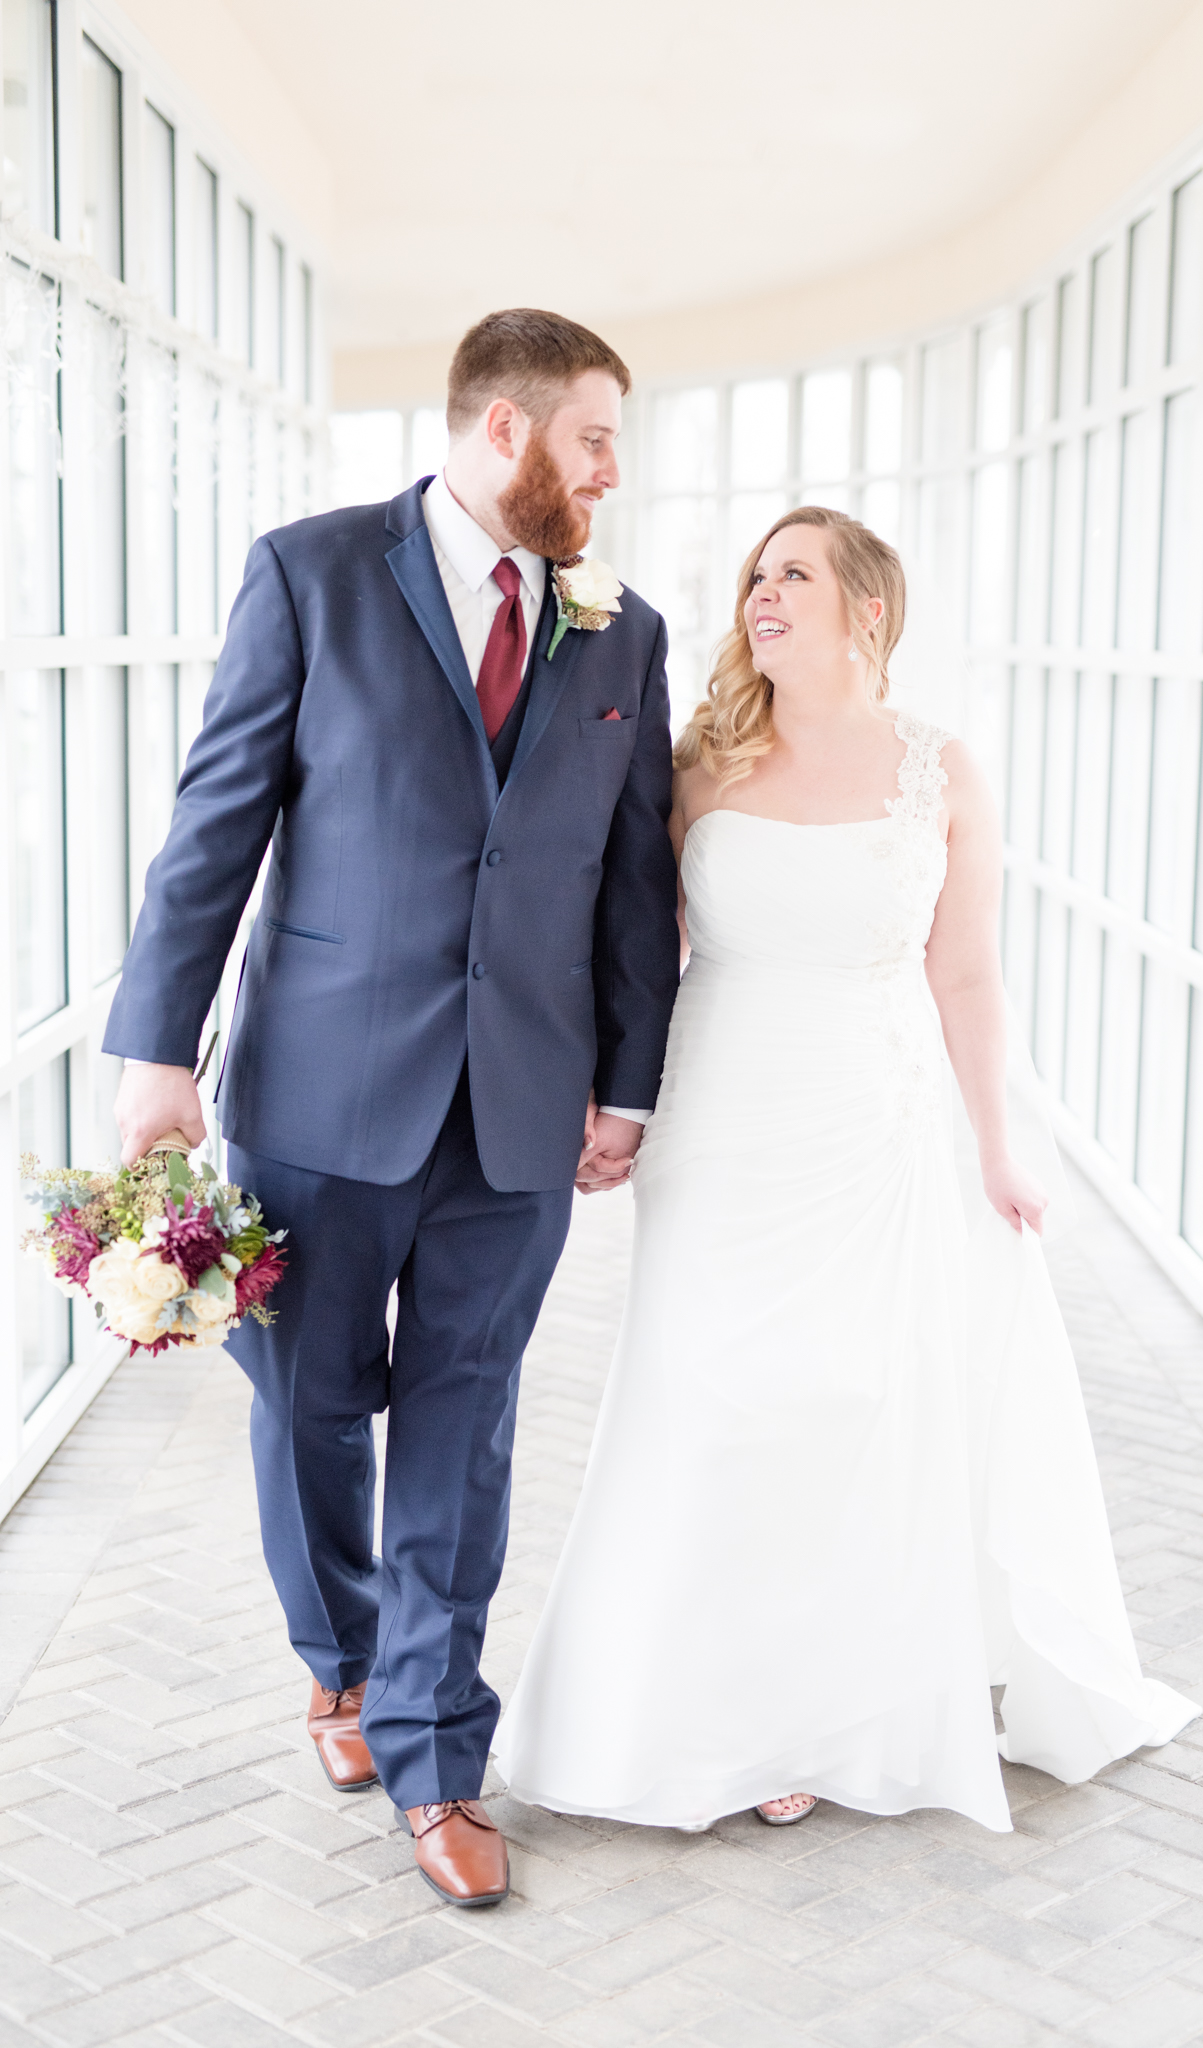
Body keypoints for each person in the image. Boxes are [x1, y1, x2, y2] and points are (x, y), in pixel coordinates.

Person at [494, 505, 1196, 1834]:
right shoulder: (701, 757)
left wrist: (999, 1143)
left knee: (846, 1398)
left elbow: (968, 972)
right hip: (721, 1117)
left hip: (874, 1119)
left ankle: (818, 1712)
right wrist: (608, 1095)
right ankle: (694, 1706)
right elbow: (635, 945)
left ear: (868, 607)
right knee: (708, 1394)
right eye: (757, 574)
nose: (763, 595)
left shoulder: (943, 768)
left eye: (794, 575)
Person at [104, 309, 679, 1905]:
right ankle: (340, 1658)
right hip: (319, 1097)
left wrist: (626, 1083)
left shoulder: (621, 632)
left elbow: (635, 886)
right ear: (505, 431)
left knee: (464, 1427)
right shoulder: (311, 573)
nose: (614, 473)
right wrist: (159, 1054)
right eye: (594, 439)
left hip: (519, 1115)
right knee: (305, 1413)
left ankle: (435, 1748)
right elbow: (215, 820)